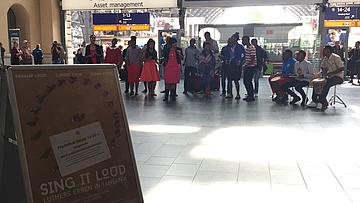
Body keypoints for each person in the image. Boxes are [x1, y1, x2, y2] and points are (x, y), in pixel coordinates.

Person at [307, 46, 344, 111]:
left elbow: (341, 68)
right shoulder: (325, 58)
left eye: (324, 51)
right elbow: (322, 67)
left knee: (327, 84)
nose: (323, 52)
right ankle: (315, 100)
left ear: (328, 51)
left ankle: (321, 101)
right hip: (329, 76)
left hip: (338, 76)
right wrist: (322, 73)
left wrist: (332, 73)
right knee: (317, 83)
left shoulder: (336, 57)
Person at [225, 32, 245, 100]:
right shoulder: (230, 47)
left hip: (236, 64)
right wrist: (227, 60)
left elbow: (244, 55)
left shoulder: (240, 47)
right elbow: (227, 54)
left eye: (233, 38)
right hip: (230, 64)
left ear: (236, 39)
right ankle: (230, 93)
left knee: (236, 80)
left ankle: (238, 94)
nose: (231, 39)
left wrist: (240, 60)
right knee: (229, 79)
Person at [162, 37, 184, 101]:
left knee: (174, 81)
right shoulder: (167, 49)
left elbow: (182, 58)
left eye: (175, 43)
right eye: (173, 43)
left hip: (175, 66)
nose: (175, 44)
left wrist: (179, 54)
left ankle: (173, 95)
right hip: (168, 66)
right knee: (168, 81)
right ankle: (166, 96)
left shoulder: (178, 49)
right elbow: (165, 58)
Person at [242, 36, 257, 102]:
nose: (242, 42)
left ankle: (251, 95)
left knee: (248, 81)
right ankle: (249, 94)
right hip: (247, 66)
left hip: (251, 67)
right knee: (246, 81)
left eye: (243, 40)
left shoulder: (251, 47)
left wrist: (247, 65)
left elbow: (252, 58)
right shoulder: (247, 48)